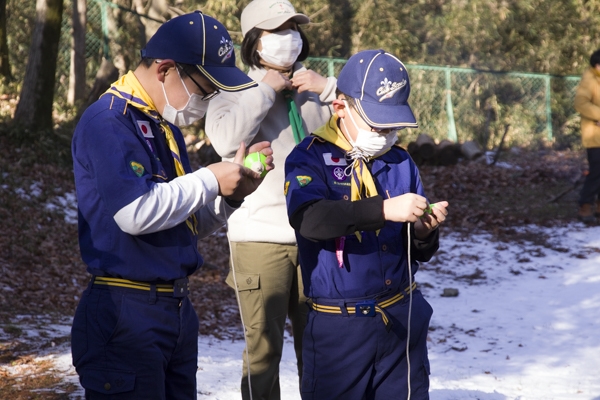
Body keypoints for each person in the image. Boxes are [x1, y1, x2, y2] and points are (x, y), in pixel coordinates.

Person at [70, 11, 272, 399]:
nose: (208, 100)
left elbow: (180, 219)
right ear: (165, 70)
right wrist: (211, 178)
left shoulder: (164, 126)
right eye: (204, 89)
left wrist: (231, 195)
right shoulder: (109, 122)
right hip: (125, 311)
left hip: (175, 308)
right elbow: (136, 213)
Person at [284, 49, 449, 399]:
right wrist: (383, 211)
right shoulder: (309, 157)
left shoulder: (399, 161)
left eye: (393, 124)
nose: (386, 133)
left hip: (400, 320)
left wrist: (423, 232)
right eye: (378, 123)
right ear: (341, 106)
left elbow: (416, 251)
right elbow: (309, 218)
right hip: (339, 329)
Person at [204, 1, 336, 399]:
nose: (289, 39)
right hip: (260, 239)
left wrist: (328, 88)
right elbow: (227, 141)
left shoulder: (313, 90)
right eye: (278, 31)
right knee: (263, 352)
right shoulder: (232, 89)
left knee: (318, 350)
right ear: (254, 43)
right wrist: (264, 91)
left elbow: (365, 130)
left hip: (317, 236)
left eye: (294, 29)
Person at [574, 48, 600, 223]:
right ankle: (585, 207)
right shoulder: (590, 80)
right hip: (595, 136)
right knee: (596, 172)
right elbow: (580, 103)